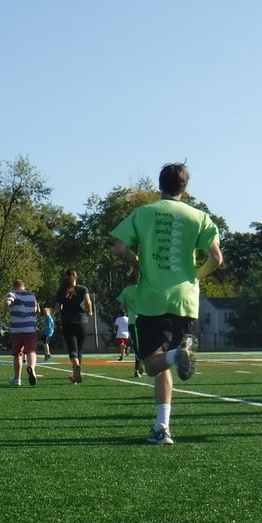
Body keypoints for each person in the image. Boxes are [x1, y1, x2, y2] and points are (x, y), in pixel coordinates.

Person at [112, 162, 223, 445]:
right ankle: (162, 428)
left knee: (151, 364)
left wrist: (136, 263)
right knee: (161, 367)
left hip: (152, 299)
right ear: (185, 188)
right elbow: (217, 259)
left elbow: (119, 248)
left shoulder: (143, 213)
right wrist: (194, 276)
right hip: (186, 299)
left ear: (159, 185)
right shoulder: (200, 217)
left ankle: (177, 356)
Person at [56, 269, 94, 384]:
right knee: (79, 350)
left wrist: (58, 315)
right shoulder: (82, 289)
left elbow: (58, 309)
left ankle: (76, 367)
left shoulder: (61, 291)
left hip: (67, 322)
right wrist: (90, 312)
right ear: (76, 277)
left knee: (72, 349)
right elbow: (88, 302)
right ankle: (75, 375)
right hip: (81, 322)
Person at [3, 279, 40, 386]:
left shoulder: (12, 294)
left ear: (13, 286)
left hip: (17, 329)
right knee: (31, 351)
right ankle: (32, 369)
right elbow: (36, 310)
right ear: (23, 286)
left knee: (18, 354)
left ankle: (17, 379)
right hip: (31, 328)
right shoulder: (31, 296)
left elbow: (7, 302)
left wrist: (5, 312)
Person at [117, 270, 143, 377]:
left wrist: (129, 307)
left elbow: (121, 307)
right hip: (145, 320)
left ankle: (137, 368)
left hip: (132, 320)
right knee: (144, 344)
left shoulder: (126, 291)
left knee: (136, 346)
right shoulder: (144, 289)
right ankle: (143, 363)